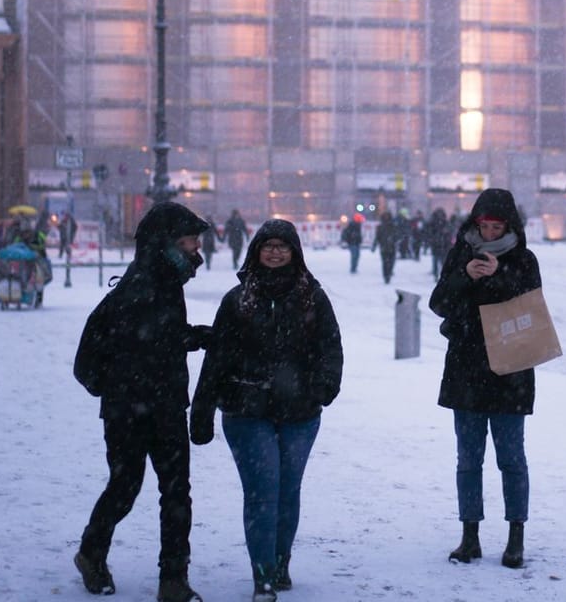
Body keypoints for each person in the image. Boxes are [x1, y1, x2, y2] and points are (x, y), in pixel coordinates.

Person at [191, 219, 343, 601]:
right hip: (247, 410)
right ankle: (262, 575)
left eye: (283, 246)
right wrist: (203, 408)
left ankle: (280, 561)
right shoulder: (237, 299)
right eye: (268, 245)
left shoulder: (313, 297)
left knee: (287, 491)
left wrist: (322, 389)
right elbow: (218, 356)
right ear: (256, 251)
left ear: (295, 252)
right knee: (262, 492)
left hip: (300, 412)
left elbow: (331, 347)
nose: (275, 252)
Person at [72, 202, 214, 601]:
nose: (195, 249)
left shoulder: (165, 280)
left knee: (171, 491)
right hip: (132, 408)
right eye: (189, 240)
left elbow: (160, 338)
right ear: (165, 242)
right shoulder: (142, 285)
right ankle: (92, 553)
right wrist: (197, 337)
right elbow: (146, 342)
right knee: (130, 486)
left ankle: (172, 579)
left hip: (162, 404)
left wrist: (196, 336)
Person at [429, 188, 540, 571]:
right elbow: (439, 302)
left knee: (511, 459)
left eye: (497, 227)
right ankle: (470, 536)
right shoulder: (462, 254)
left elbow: (531, 306)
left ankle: (515, 537)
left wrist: (499, 276)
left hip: (511, 369)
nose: (490, 233)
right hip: (466, 369)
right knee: (468, 459)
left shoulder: (524, 259)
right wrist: (464, 276)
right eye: (484, 226)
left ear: (509, 226)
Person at [377, 213, 399, 284]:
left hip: (391, 247)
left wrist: (394, 240)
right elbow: (378, 237)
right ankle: (386, 276)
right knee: (385, 263)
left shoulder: (393, 226)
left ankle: (388, 274)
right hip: (384, 248)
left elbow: (397, 236)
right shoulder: (380, 227)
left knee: (391, 263)